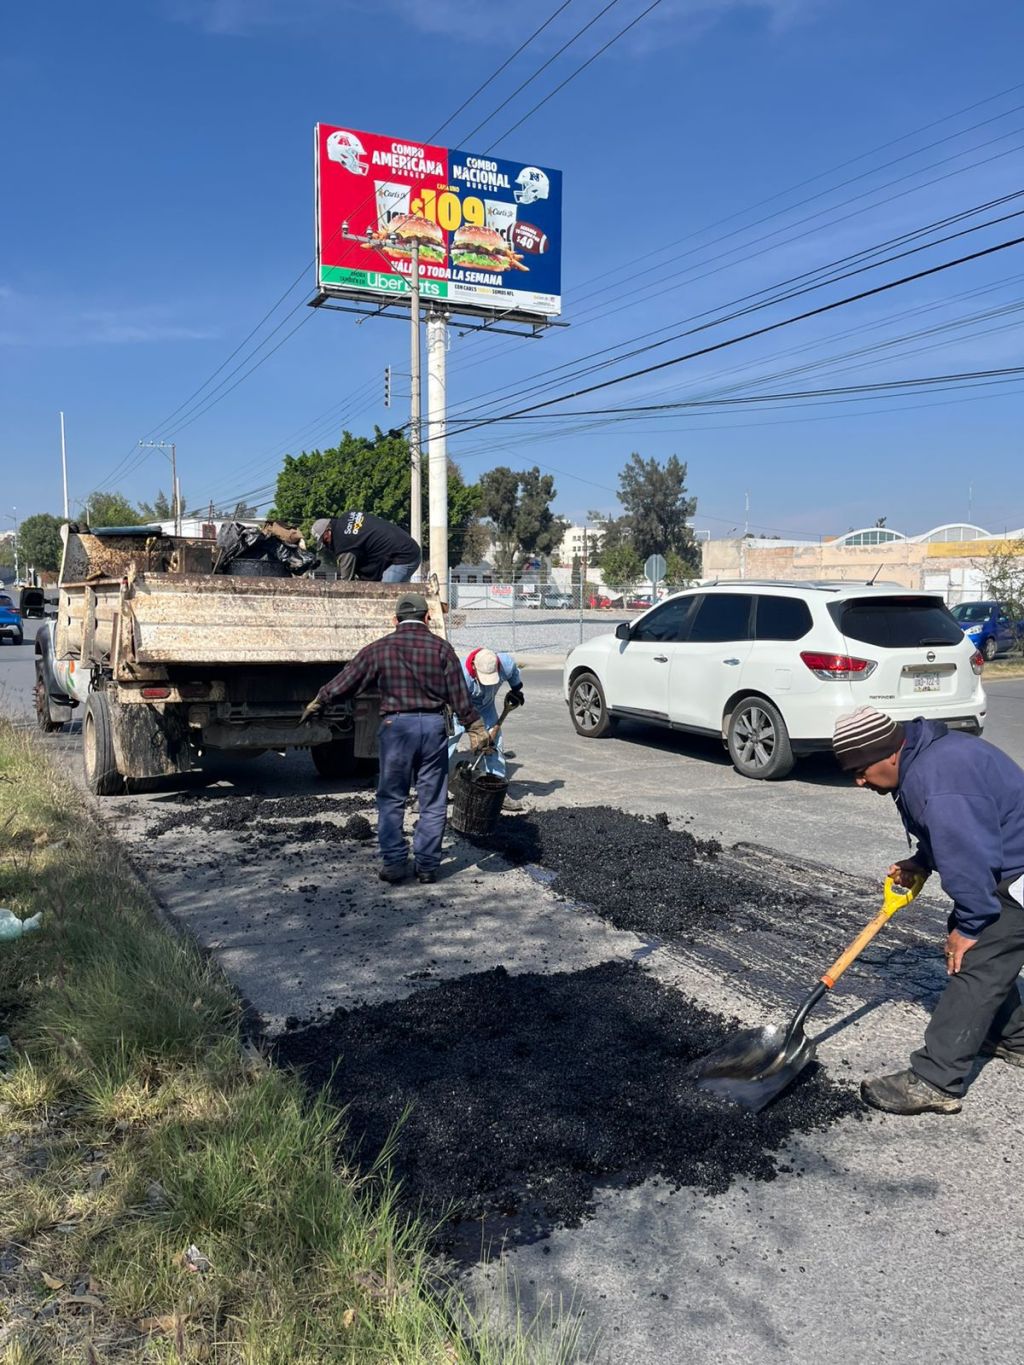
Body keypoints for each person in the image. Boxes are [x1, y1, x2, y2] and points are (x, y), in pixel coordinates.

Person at [833, 705, 1024, 1115]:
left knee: (976, 957)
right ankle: (1013, 1037)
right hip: (1007, 861)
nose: (859, 780)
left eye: (862, 770)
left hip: (1018, 873)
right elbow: (960, 830)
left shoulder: (938, 779)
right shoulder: (923, 759)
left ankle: (936, 1080)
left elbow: (969, 855)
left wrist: (971, 926)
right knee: (987, 954)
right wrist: (923, 860)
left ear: (889, 754)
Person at [301, 593, 492, 884]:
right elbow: (459, 695)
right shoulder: (442, 649)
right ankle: (427, 866)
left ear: (395, 620)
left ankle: (393, 864)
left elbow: (348, 679)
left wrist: (320, 700)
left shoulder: (379, 648)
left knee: (391, 797)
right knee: (433, 800)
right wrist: (476, 728)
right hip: (433, 729)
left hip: (396, 728)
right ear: (427, 617)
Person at [448, 648, 524, 781]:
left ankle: (495, 778)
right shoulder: (460, 674)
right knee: (447, 742)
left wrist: (516, 690)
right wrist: (475, 731)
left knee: (494, 742)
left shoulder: (505, 663)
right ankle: (435, 778)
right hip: (459, 710)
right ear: (474, 666)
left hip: (486, 709)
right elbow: (455, 703)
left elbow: (513, 674)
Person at [310, 512, 421, 583]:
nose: (326, 544)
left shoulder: (343, 542)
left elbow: (346, 581)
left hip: (404, 555)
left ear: (328, 532)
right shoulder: (347, 516)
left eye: (324, 540)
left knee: (383, 594)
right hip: (405, 545)